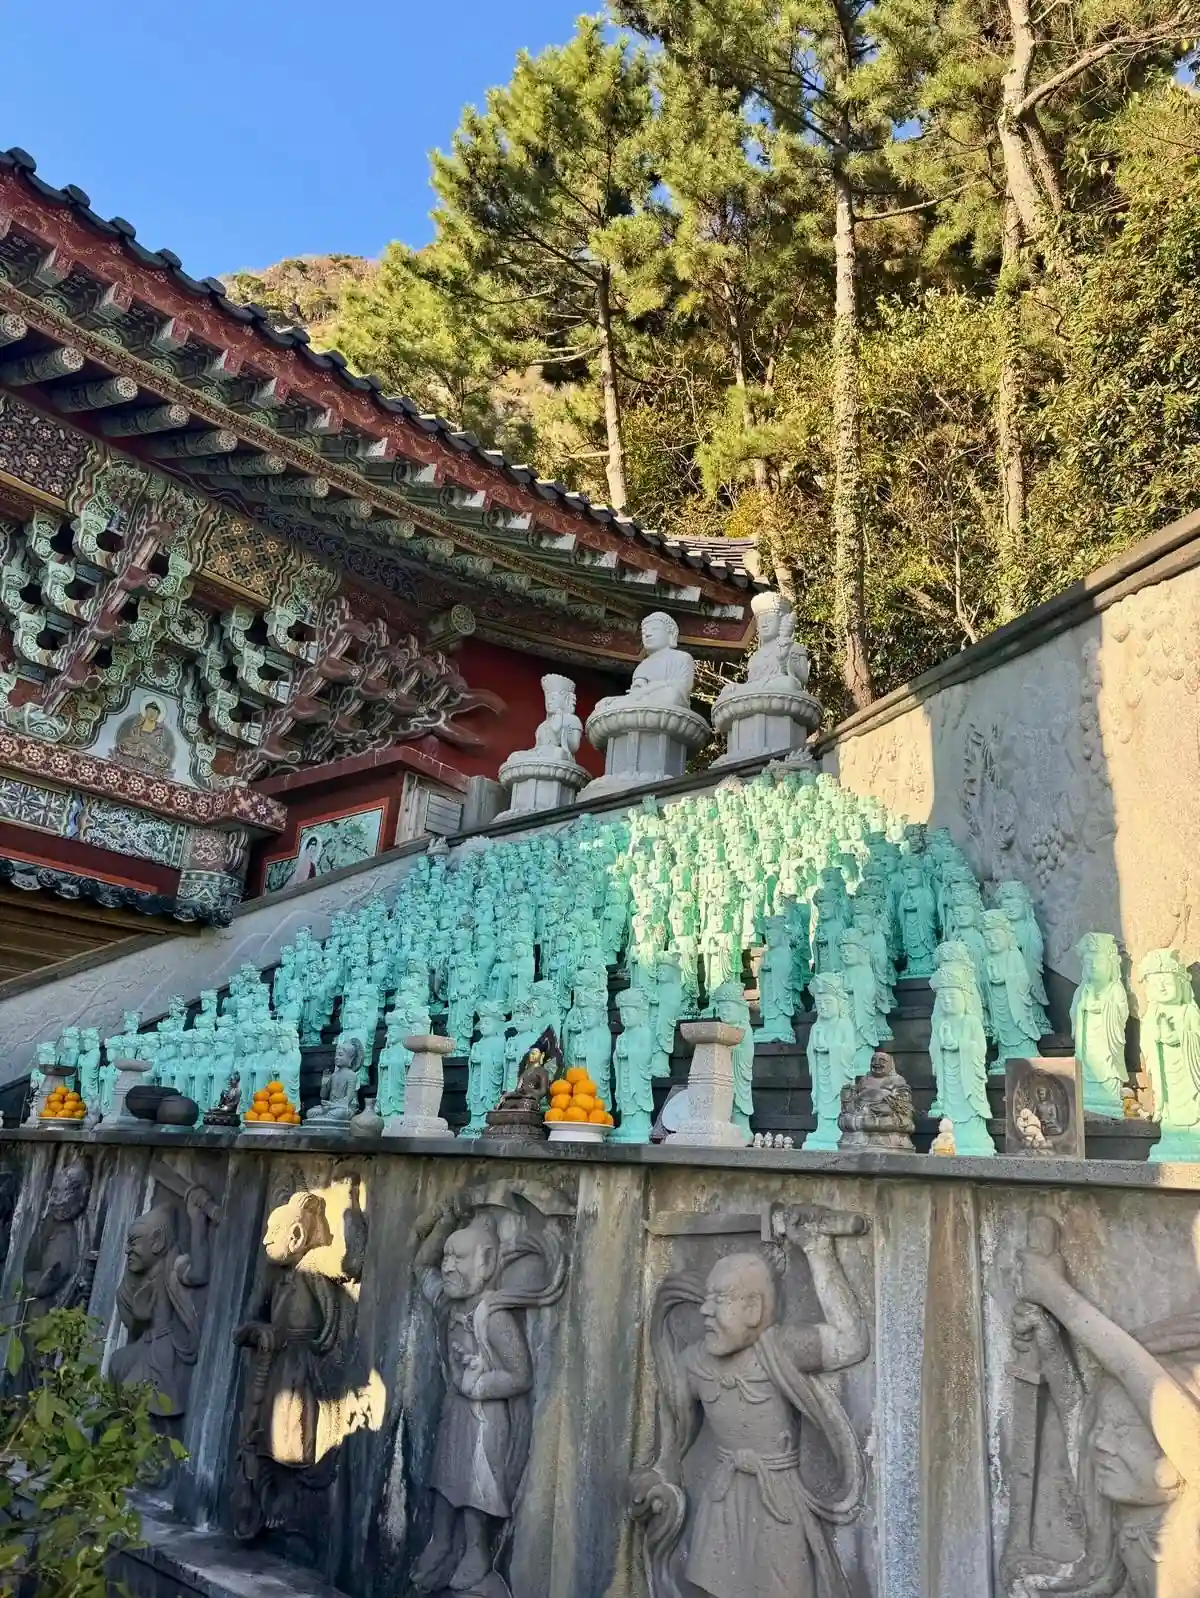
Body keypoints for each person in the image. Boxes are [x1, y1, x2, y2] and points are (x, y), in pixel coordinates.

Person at [113, 699, 175, 777]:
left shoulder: (159, 731)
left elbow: (158, 746)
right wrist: (136, 740)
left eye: (154, 713)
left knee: (154, 753)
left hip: (150, 751)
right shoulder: (137, 725)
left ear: (158, 715)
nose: (152, 714)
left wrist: (148, 742)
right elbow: (134, 738)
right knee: (126, 744)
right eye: (150, 711)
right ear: (145, 712)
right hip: (135, 746)